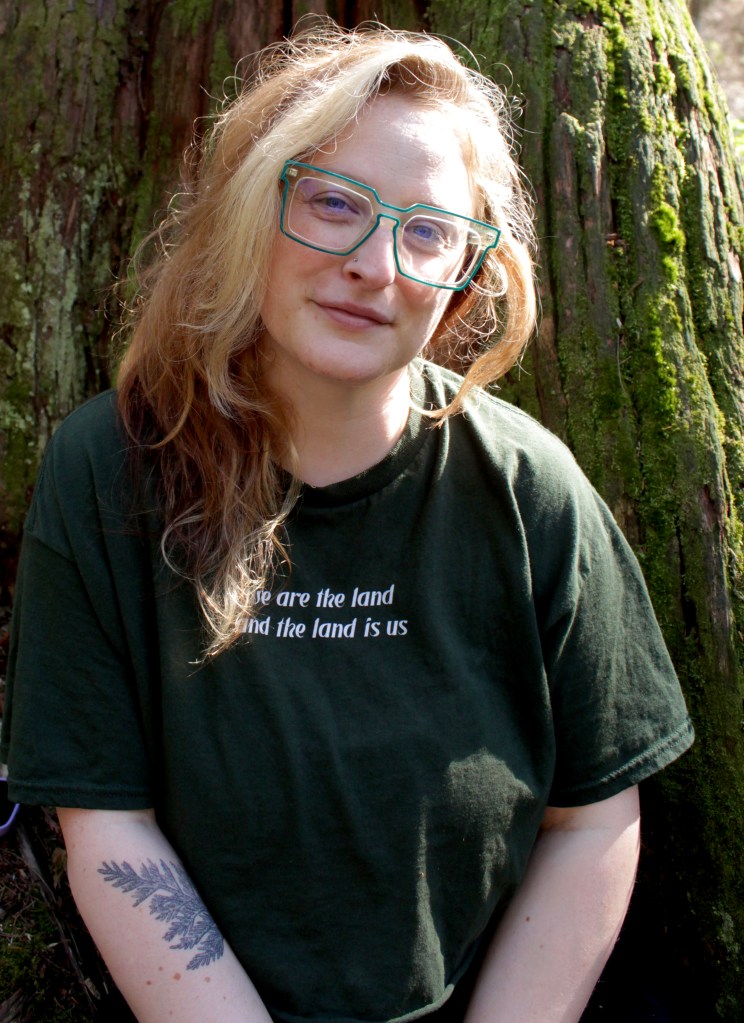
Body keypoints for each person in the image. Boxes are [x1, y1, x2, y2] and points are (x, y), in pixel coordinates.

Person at [1, 20, 693, 1023]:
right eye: (332, 202)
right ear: (250, 210)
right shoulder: (109, 468)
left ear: (467, 270)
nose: (379, 262)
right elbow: (105, 821)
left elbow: (593, 820)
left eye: (428, 228)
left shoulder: (528, 488)